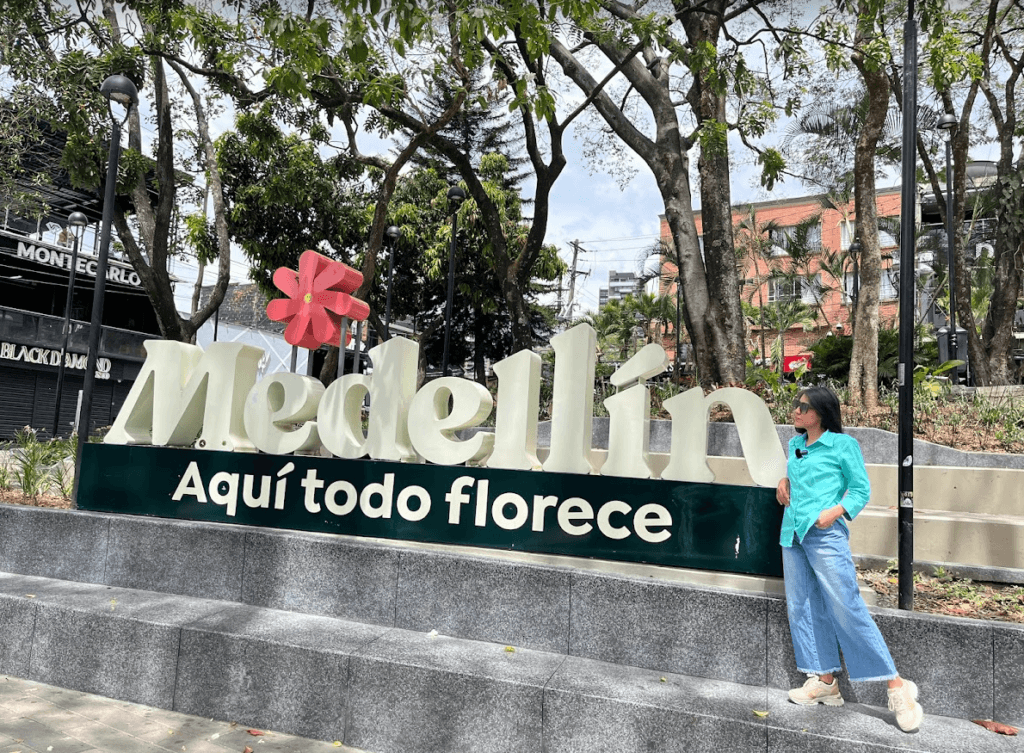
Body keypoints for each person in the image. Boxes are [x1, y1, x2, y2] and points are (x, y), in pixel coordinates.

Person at [776, 386, 924, 733]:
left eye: (803, 407)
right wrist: (783, 481)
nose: (796, 411)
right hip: (793, 534)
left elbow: (860, 490)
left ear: (822, 413)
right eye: (796, 405)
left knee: (847, 606)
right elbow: (799, 478)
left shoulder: (843, 445)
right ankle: (825, 681)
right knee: (802, 606)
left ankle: (896, 685)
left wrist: (835, 512)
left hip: (825, 534)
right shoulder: (795, 445)